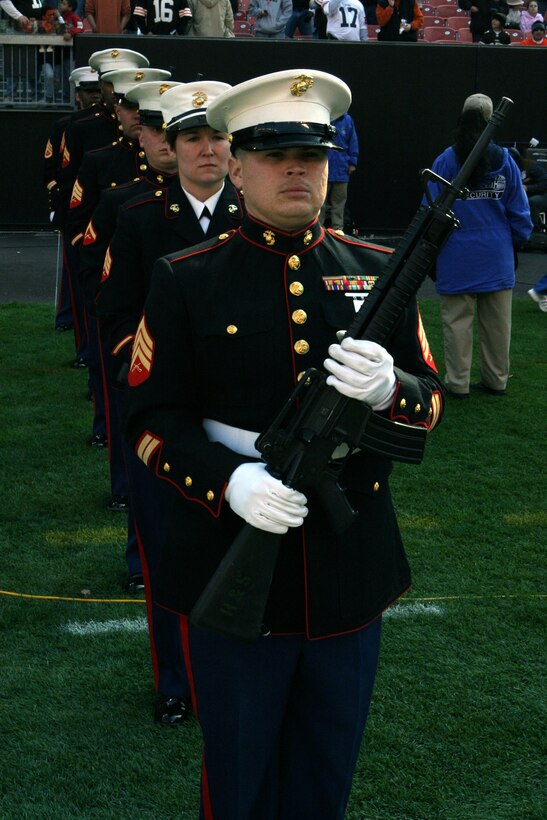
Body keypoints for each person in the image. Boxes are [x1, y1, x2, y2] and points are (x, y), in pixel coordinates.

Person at [124, 68, 444, 818]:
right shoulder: (185, 278)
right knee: (238, 776)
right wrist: (227, 481)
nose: (296, 169)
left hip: (347, 565)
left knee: (324, 771)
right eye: (273, 154)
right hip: (228, 558)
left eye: (312, 154)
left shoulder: (377, 270)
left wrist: (390, 390)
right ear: (237, 165)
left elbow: (427, 405)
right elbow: (148, 421)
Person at [95, 80, 244, 725]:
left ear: (233, 149)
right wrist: (167, 378)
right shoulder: (139, 219)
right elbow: (117, 317)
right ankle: (177, 682)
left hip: (245, 428)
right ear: (172, 145)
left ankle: (239, 671)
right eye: (193, 137)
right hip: (170, 419)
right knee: (169, 557)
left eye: (217, 137)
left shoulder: (256, 217)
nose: (206, 149)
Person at [425, 93, 532, 399]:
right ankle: (497, 380)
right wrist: (514, 245)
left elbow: (430, 208)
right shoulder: (505, 160)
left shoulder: (446, 160)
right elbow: (519, 212)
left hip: (456, 254)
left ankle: (457, 383)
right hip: (496, 253)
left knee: (457, 323)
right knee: (498, 326)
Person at [320, 110, 359, 230]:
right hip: (323, 169)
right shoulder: (322, 117)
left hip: (342, 168)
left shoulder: (347, 120)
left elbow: (353, 142)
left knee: (339, 203)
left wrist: (352, 162)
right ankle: (318, 230)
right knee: (320, 203)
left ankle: (337, 231)